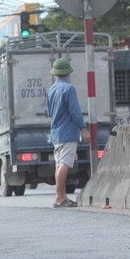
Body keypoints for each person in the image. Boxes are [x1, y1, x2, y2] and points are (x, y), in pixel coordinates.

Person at [46, 58, 89, 208]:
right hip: (68, 132)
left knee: (59, 164)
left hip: (56, 132)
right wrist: (83, 129)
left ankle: (62, 196)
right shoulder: (69, 89)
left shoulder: (51, 90)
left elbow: (49, 112)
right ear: (67, 73)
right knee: (65, 164)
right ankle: (59, 197)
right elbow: (75, 112)